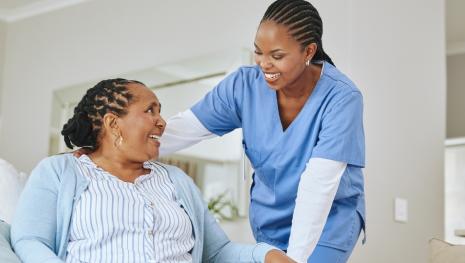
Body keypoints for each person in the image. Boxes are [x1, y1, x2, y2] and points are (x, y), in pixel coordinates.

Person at [75, 1, 365, 262]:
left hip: (327, 220)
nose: (264, 64)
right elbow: (184, 129)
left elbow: (319, 185)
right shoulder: (244, 86)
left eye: (276, 55)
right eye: (258, 51)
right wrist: (106, 149)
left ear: (308, 51)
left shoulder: (341, 98)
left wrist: (298, 260)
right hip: (269, 222)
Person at [11, 79, 295, 263]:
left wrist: (265, 254)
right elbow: (30, 240)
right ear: (113, 124)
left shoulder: (176, 181)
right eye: (150, 111)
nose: (162, 122)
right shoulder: (59, 171)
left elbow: (217, 251)